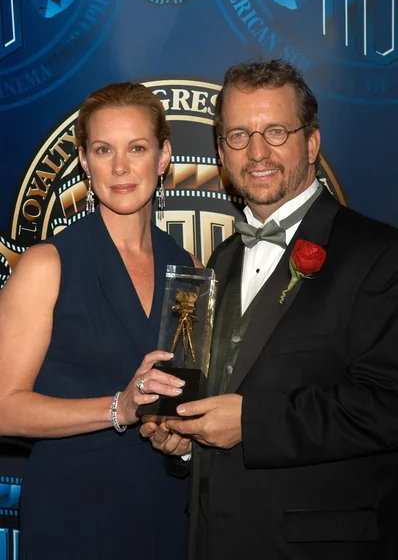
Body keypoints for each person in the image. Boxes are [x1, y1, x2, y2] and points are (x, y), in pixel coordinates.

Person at [141, 59, 398, 560]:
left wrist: (254, 423)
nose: (257, 152)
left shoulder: (378, 254)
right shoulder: (221, 259)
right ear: (221, 152)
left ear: (312, 143)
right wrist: (187, 441)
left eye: (275, 131)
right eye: (238, 135)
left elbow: (388, 405)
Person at [0, 81, 201, 559]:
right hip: (74, 515)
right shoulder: (47, 264)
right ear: (85, 164)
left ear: (164, 155)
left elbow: (182, 399)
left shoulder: (188, 266)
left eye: (137, 148)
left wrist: (180, 439)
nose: (121, 167)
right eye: (103, 150)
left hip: (167, 512)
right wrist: (119, 408)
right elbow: (4, 406)